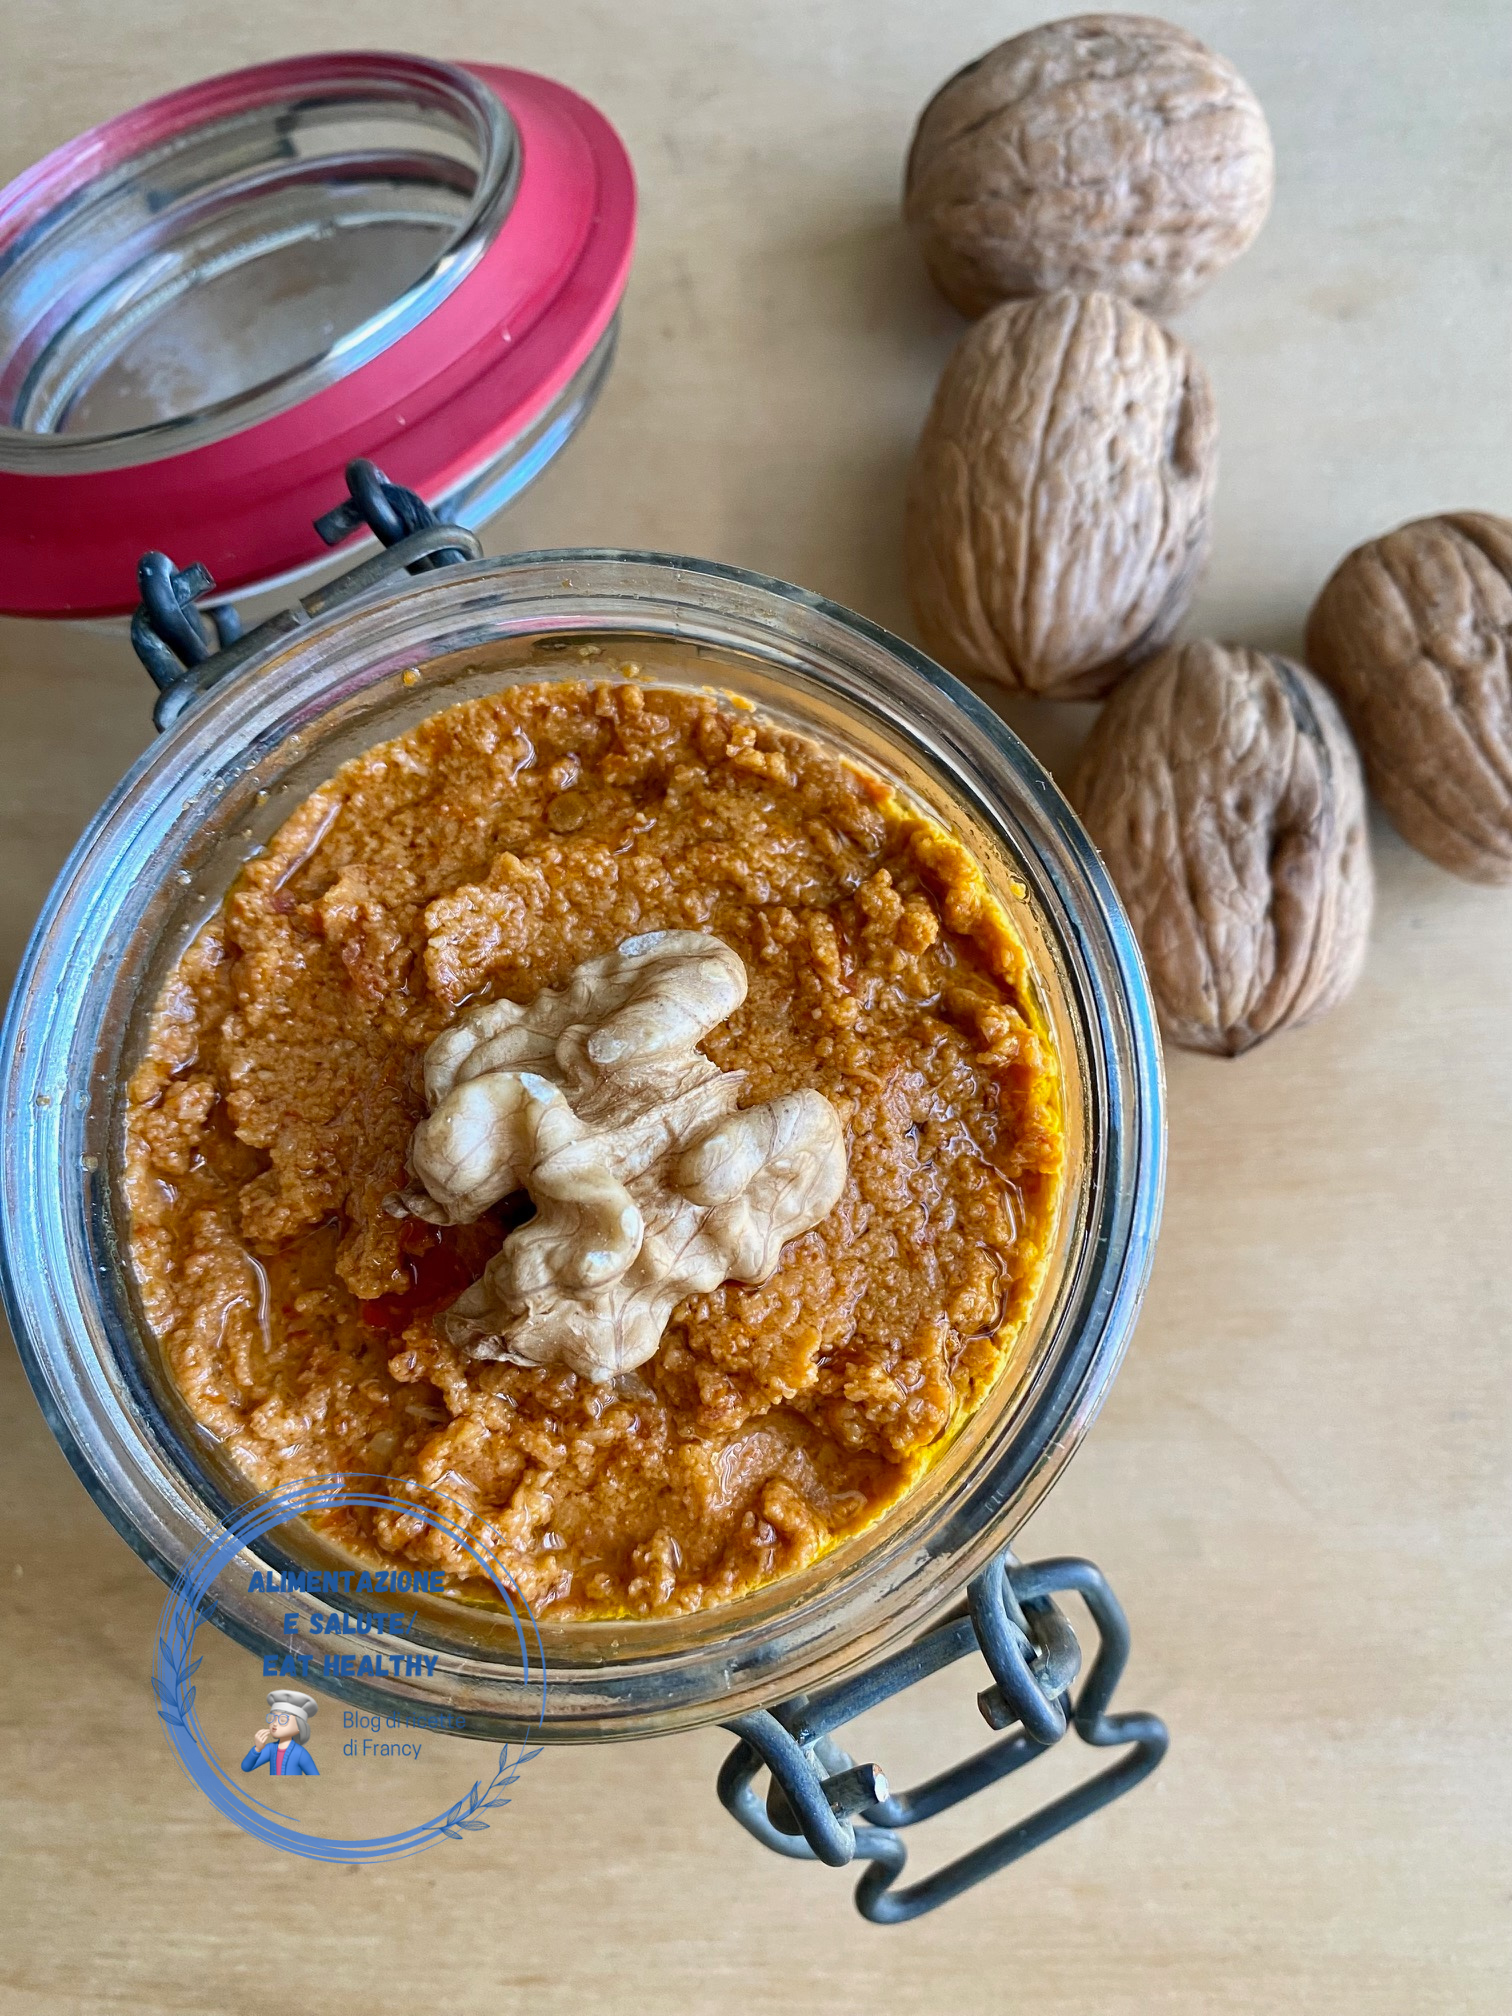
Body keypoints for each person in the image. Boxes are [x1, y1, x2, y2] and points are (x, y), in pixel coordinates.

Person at [241, 1689, 320, 1776]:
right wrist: (257, 1749)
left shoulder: (300, 1753)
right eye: (272, 1718)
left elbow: (314, 1776)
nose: (275, 1723)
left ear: (299, 1727)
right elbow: (246, 1767)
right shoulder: (270, 1748)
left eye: (283, 1720)